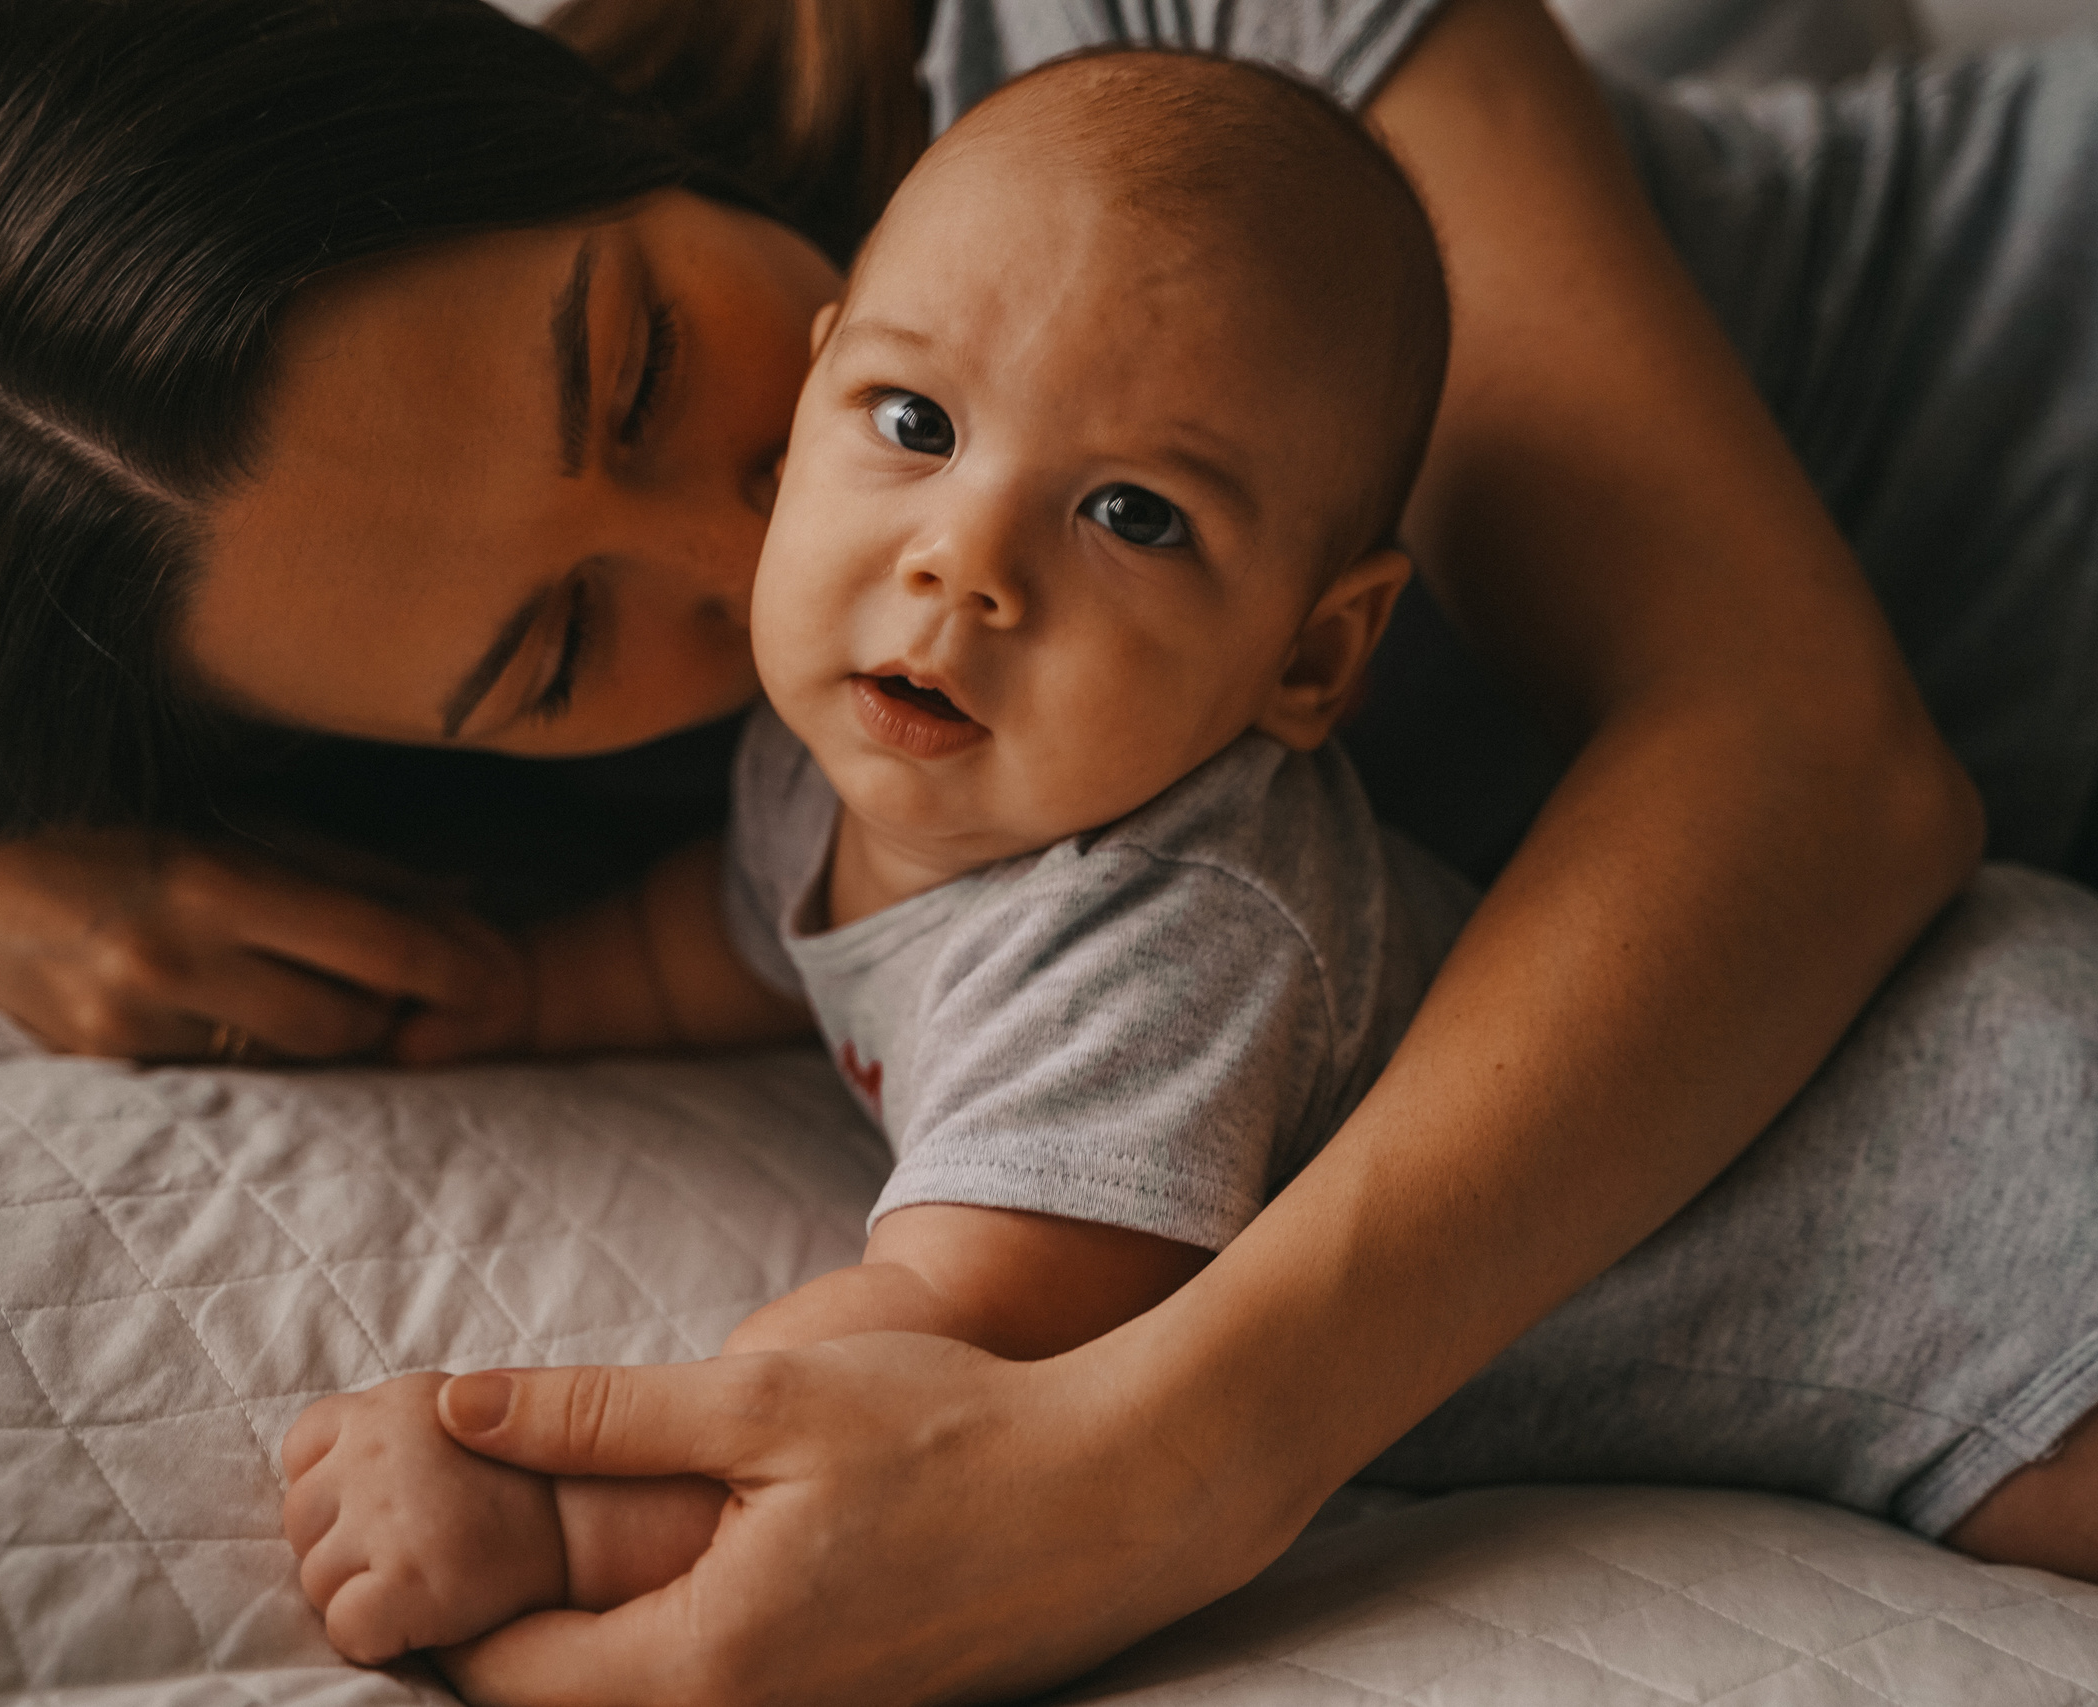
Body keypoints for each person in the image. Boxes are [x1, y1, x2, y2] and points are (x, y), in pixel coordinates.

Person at [0, 0, 2098, 1700]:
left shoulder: (1140, 79)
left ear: (566, 121)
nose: (773, 565)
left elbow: (1810, 761)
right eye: (559, 655)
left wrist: (1161, 1459)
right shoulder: (817, 762)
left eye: (637, 367)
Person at [279, 48, 1475, 1664]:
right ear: (811, 407)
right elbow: (721, 942)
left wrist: (556, 1513)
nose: (961, 562)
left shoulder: (1170, 930)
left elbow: (947, 1348)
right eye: (916, 423)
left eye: (1133, 513)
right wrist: (515, 994)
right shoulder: (837, 751)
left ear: (1311, 657)